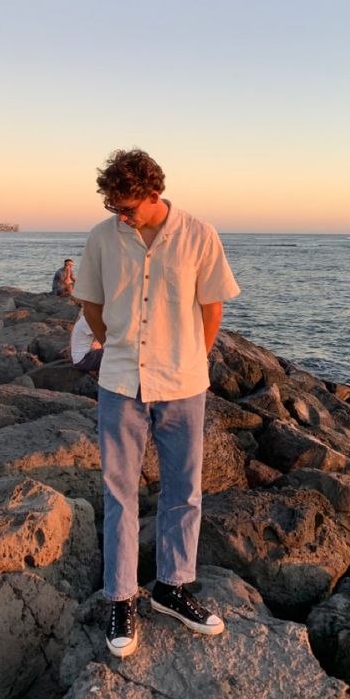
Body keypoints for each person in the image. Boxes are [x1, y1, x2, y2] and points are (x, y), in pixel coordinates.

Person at [74, 148, 240, 658]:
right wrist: (119, 345)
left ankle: (172, 587)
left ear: (153, 192)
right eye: (114, 207)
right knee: (118, 493)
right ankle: (121, 597)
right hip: (121, 383)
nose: (120, 215)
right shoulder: (103, 238)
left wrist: (189, 360)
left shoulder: (199, 234)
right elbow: (92, 305)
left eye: (127, 206)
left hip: (184, 384)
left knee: (185, 490)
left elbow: (211, 310)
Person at [70, 309, 103, 375]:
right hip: (83, 360)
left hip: (82, 358)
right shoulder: (88, 321)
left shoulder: (86, 318)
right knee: (112, 353)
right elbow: (103, 339)